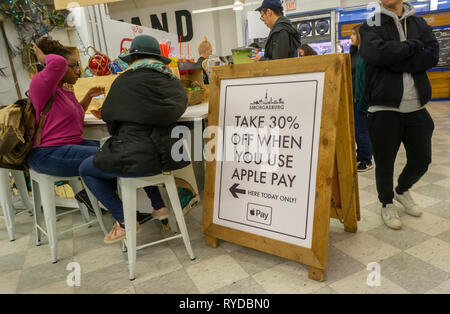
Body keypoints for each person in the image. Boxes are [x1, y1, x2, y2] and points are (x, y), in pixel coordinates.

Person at [79, 35, 190, 244]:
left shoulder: (123, 81)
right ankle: (159, 206)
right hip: (170, 156)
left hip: (140, 156)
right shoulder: (173, 80)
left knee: (87, 168)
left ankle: (124, 221)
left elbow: (111, 122)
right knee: (137, 155)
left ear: (134, 58)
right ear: (157, 58)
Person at [359, 0, 439, 230]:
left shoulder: (419, 23)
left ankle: (402, 190)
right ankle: (386, 203)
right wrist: (414, 47)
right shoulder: (370, 24)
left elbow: (433, 54)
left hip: (417, 106)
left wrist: (395, 59)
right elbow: (375, 54)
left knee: (422, 159)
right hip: (384, 108)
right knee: (385, 163)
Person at [27, 37, 104, 183]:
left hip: (70, 146)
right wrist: (42, 57)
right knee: (110, 157)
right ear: (62, 68)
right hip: (47, 152)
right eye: (73, 66)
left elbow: (74, 116)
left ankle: (91, 199)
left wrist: (88, 96)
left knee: (118, 150)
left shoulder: (65, 90)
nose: (77, 71)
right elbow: (58, 62)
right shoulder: (40, 85)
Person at [350, 24, 373, 172]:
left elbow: (365, 78)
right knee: (356, 130)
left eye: (353, 34)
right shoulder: (353, 53)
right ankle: (360, 155)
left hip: (361, 98)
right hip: (352, 97)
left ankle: (366, 159)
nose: (350, 37)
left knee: (361, 130)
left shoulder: (366, 54)